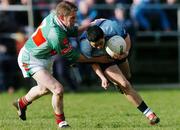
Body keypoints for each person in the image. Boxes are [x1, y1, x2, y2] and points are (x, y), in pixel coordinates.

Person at [12, 1, 113, 128]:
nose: (74, 20)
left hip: (44, 57)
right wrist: (99, 59)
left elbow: (73, 31)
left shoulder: (57, 18)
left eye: (75, 17)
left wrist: (89, 25)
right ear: (61, 17)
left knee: (44, 89)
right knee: (57, 89)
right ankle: (61, 122)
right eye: (72, 18)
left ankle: (21, 104)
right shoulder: (55, 35)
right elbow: (75, 57)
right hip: (31, 58)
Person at [79, 18, 160, 125]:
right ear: (90, 42)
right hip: (102, 60)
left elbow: (127, 37)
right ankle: (150, 114)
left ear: (104, 36)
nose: (99, 47)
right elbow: (92, 62)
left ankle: (119, 84)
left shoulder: (112, 27)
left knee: (128, 77)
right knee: (125, 84)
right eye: (95, 45)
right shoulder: (85, 44)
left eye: (100, 43)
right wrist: (102, 77)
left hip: (118, 52)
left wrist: (126, 52)